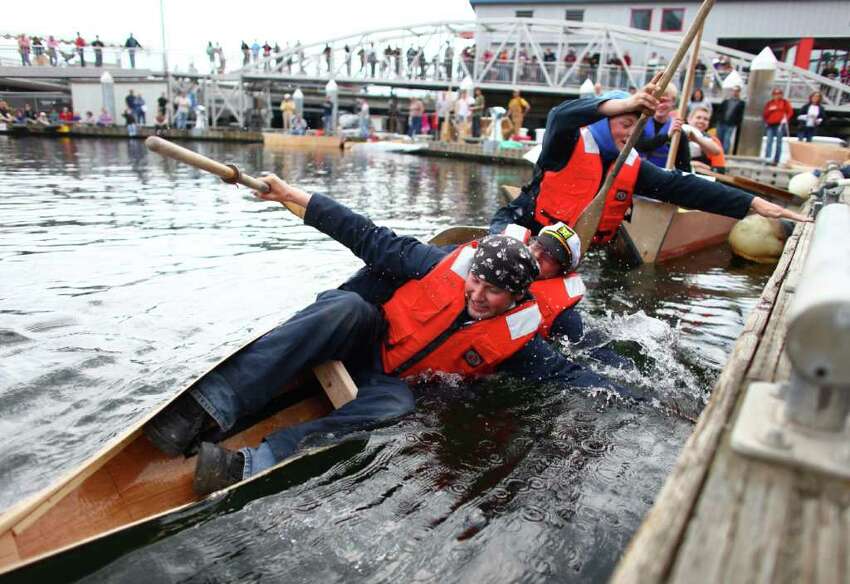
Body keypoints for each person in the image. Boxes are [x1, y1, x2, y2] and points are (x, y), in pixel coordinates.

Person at [143, 177, 631, 495]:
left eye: (494, 293)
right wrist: (292, 195)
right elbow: (364, 233)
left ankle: (254, 462)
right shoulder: (436, 264)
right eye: (475, 283)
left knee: (399, 408)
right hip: (367, 340)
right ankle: (204, 406)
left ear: (518, 294)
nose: (478, 298)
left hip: (389, 382)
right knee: (346, 307)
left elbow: (573, 376)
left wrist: (639, 395)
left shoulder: (524, 339)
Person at [489, 86, 809, 245]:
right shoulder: (566, 142)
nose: (630, 134)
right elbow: (560, 115)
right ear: (604, 119)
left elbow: (683, 187)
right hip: (522, 227)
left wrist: (751, 202)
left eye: (635, 128)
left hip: (560, 248)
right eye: (625, 122)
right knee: (508, 257)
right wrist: (627, 103)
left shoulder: (630, 165)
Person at [635, 84, 690, 172]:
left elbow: (684, 166)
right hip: (638, 173)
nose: (660, 105)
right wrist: (667, 136)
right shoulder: (640, 123)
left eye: (664, 101)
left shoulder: (678, 133)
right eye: (657, 100)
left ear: (673, 102)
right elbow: (640, 146)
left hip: (661, 178)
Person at [686, 105, 726, 174]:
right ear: (689, 119)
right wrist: (691, 164)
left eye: (705, 119)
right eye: (698, 117)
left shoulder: (713, 140)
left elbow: (719, 169)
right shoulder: (678, 135)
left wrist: (696, 139)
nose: (701, 121)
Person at [762, 88, 793, 165]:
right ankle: (767, 159)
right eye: (775, 94)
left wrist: (786, 119)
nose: (777, 95)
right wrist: (767, 120)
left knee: (779, 143)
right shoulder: (769, 103)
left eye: (778, 94)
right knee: (769, 142)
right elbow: (765, 114)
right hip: (770, 125)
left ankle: (776, 160)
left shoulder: (785, 103)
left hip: (780, 125)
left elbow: (790, 112)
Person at [715, 85, 745, 154]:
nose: (735, 92)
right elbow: (719, 110)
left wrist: (736, 123)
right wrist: (718, 119)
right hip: (721, 122)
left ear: (739, 92)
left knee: (727, 140)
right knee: (718, 139)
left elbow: (740, 115)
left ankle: (724, 154)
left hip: (730, 124)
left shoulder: (741, 103)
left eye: (737, 91)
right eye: (734, 91)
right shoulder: (726, 101)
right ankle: (716, 153)